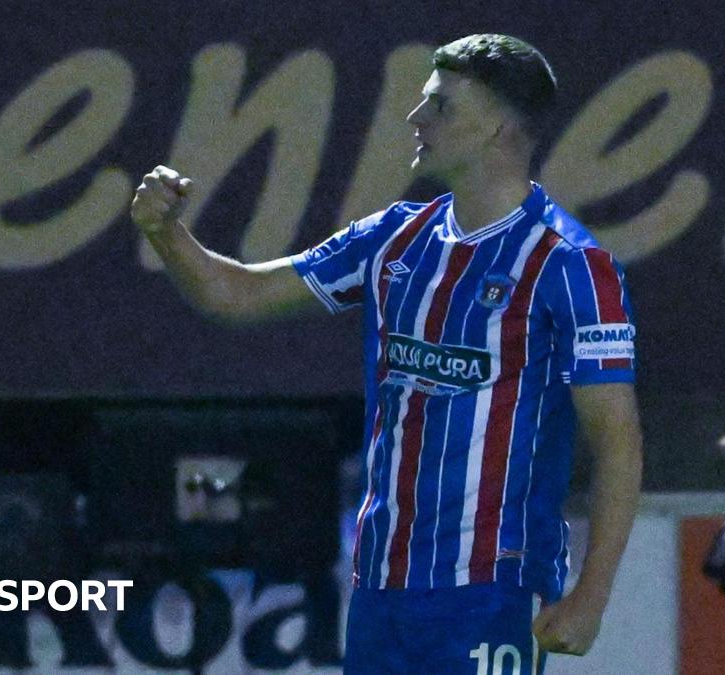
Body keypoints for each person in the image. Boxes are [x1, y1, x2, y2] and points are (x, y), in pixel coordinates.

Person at [130, 34, 642, 674]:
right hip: (380, 589)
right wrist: (166, 233)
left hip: (491, 591)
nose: (415, 118)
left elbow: (617, 440)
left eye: (442, 105)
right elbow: (239, 293)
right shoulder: (394, 237)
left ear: (500, 128)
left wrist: (590, 598)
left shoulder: (570, 265)